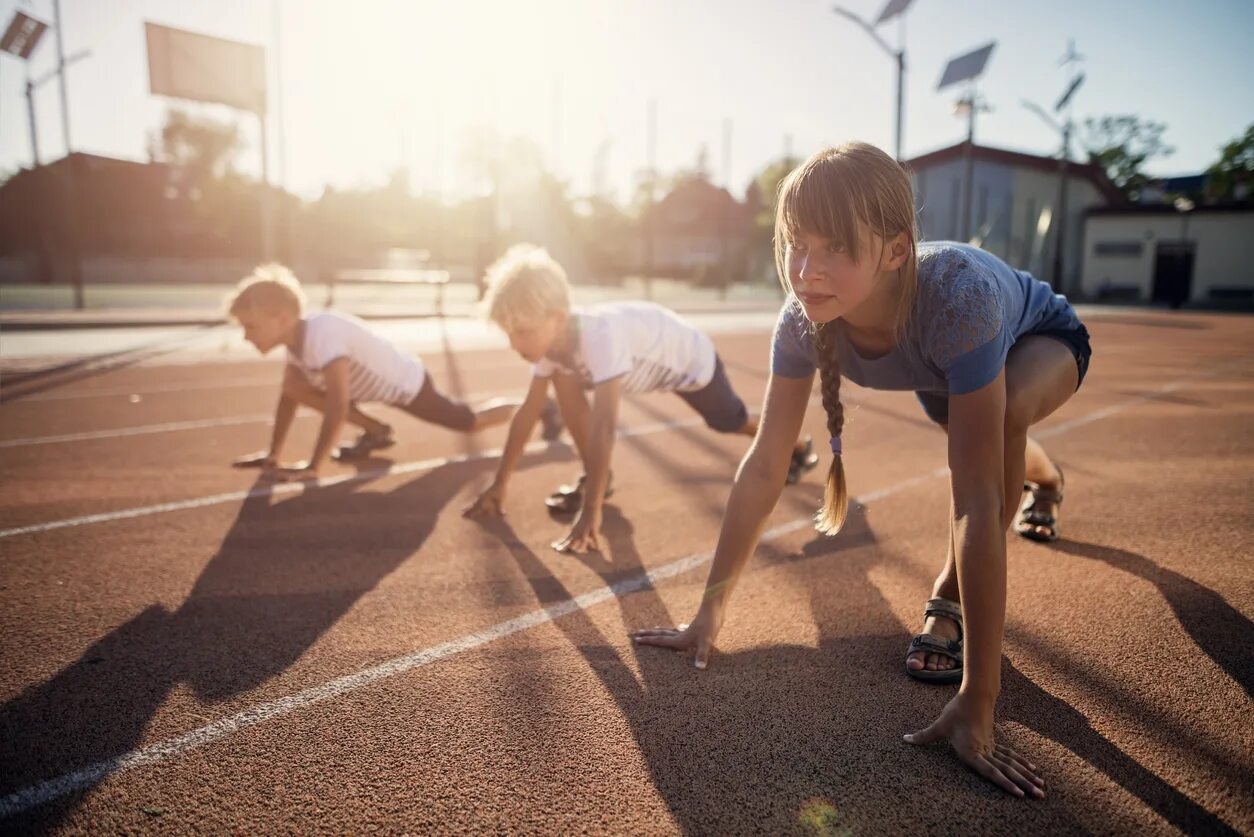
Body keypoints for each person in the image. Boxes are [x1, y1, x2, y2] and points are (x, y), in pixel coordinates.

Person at [632, 142, 1092, 798]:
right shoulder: (799, 322)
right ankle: (1047, 479)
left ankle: (948, 596)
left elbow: (976, 504)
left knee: (1005, 422)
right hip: (948, 367)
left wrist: (980, 699)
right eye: (796, 243)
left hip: (1039, 341)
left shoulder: (958, 298)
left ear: (898, 248)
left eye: (835, 248)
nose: (806, 270)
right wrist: (707, 614)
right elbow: (766, 465)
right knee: (991, 441)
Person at [462, 244, 819, 552]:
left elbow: (604, 427)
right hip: (651, 358)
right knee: (562, 379)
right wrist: (500, 484)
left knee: (729, 422)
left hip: (690, 362)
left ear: (557, 318)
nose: (515, 344)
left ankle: (796, 447)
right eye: (509, 333)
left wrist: (591, 510)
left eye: (522, 332)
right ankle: (597, 477)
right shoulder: (553, 347)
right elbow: (528, 412)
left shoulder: (599, 337)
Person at [227, 264, 531, 481]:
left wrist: (313, 466)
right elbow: (289, 397)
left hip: (407, 384)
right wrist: (273, 454)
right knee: (294, 387)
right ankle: (376, 430)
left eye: (251, 327)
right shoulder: (295, 343)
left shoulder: (323, 335)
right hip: (371, 390)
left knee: (469, 423)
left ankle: (539, 408)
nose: (246, 336)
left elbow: (337, 404)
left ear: (283, 318)